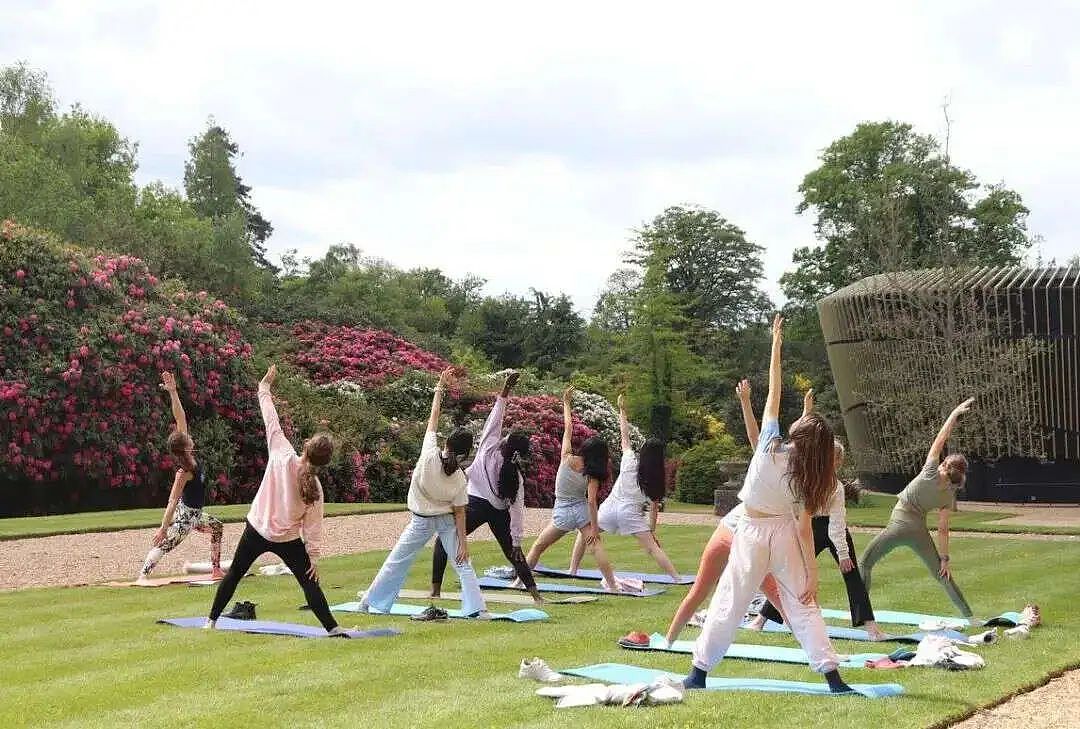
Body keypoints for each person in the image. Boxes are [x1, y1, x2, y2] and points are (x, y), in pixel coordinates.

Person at [684, 315, 851, 693]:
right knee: (803, 604)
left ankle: (698, 673)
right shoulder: (810, 473)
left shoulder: (769, 445)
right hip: (784, 533)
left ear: (799, 435)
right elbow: (806, 528)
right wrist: (811, 574)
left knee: (731, 600)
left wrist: (776, 344)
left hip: (754, 530)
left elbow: (774, 391)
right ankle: (833, 677)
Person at [206, 364, 348, 636]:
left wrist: (264, 388)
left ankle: (210, 621)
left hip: (256, 530)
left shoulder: (281, 453)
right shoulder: (315, 487)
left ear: (306, 446)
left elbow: (271, 419)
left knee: (235, 573)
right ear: (325, 462)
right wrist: (313, 559)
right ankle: (332, 628)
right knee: (309, 583)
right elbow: (313, 529)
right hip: (288, 539)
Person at [744, 388, 886, 641]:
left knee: (851, 574)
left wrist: (842, 554)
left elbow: (837, 524)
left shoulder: (834, 487)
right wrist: (806, 411)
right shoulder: (810, 476)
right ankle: (761, 618)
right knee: (790, 574)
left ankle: (871, 626)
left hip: (830, 530)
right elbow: (800, 440)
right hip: (807, 527)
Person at [358, 367, 490, 620]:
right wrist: (464, 543)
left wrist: (440, 387)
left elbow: (434, 417)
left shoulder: (428, 453)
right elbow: (460, 513)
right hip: (446, 520)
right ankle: (478, 609)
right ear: (464, 452)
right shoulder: (460, 477)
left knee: (398, 560)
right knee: (463, 564)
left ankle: (368, 601)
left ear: (446, 444)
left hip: (422, 518)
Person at [429, 371, 543, 605]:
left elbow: (494, 420)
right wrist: (517, 541)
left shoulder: (489, 449)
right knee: (513, 553)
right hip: (498, 511)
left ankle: (435, 591)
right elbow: (517, 511)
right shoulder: (515, 475)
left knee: (443, 541)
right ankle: (535, 595)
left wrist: (504, 393)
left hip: (477, 504)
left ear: (504, 444)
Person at [859, 398, 977, 620]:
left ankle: (863, 616)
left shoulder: (930, 471)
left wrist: (954, 414)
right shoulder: (949, 494)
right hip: (919, 532)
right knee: (942, 575)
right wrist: (944, 559)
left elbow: (941, 437)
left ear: (944, 465)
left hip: (898, 524)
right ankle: (970, 617)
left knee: (865, 563)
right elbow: (942, 529)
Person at [566, 393, 680, 581]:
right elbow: (653, 510)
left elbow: (624, 437)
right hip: (630, 515)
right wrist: (650, 531)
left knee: (584, 534)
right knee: (653, 548)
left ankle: (572, 570)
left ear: (643, 452)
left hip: (610, 509)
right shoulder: (656, 479)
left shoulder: (629, 461)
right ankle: (677, 578)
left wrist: (622, 411)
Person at [520, 386, 623, 592]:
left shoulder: (567, 457)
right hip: (581, 511)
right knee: (596, 547)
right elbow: (592, 501)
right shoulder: (593, 473)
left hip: (563, 510)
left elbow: (568, 428)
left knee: (539, 546)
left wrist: (566, 403)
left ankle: (520, 582)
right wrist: (594, 528)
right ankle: (612, 585)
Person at [137, 371, 223, 583]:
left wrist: (173, 392)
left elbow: (180, 417)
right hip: (185, 518)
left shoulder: (189, 456)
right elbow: (172, 501)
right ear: (184, 447)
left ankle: (216, 570)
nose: (190, 437)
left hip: (195, 515)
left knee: (217, 527)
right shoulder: (183, 472)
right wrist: (163, 528)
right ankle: (142, 576)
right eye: (187, 439)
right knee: (165, 544)